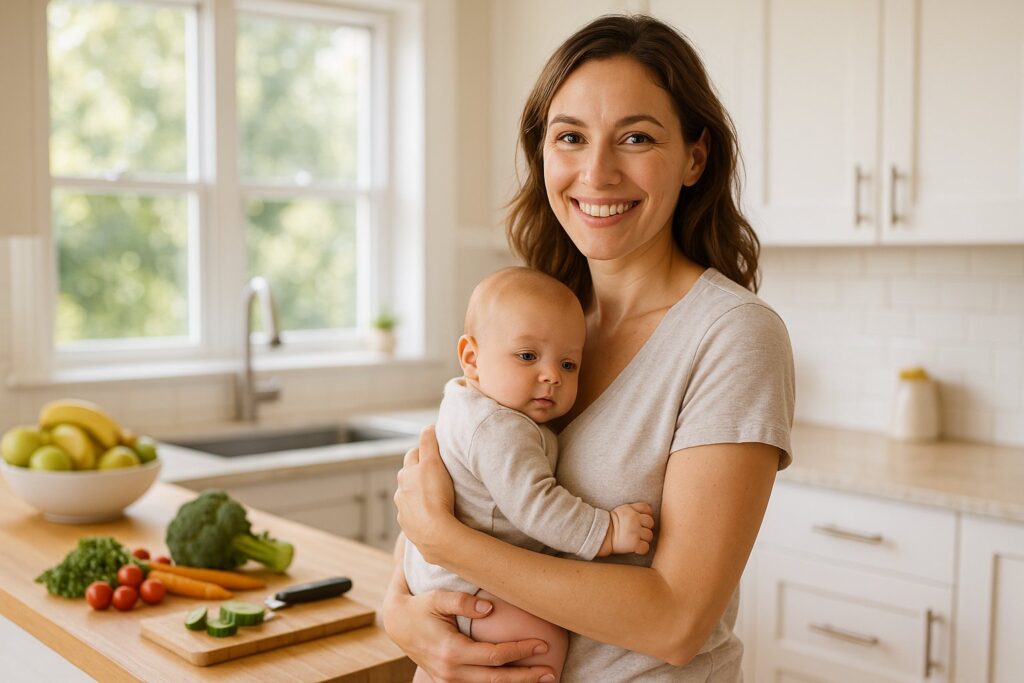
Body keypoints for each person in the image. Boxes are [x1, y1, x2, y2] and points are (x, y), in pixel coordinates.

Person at [384, 13, 795, 682]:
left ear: (696, 156)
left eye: (635, 137)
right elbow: (442, 488)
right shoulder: (538, 313)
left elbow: (676, 621)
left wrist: (444, 540)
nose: (597, 172)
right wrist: (395, 609)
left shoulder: (733, 335)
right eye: (570, 137)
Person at [404, 266, 656, 682]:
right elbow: (534, 504)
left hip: (446, 575)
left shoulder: (470, 401)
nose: (552, 375)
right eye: (527, 356)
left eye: (569, 364)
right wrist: (606, 529)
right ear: (471, 358)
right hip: (472, 589)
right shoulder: (501, 428)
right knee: (540, 644)